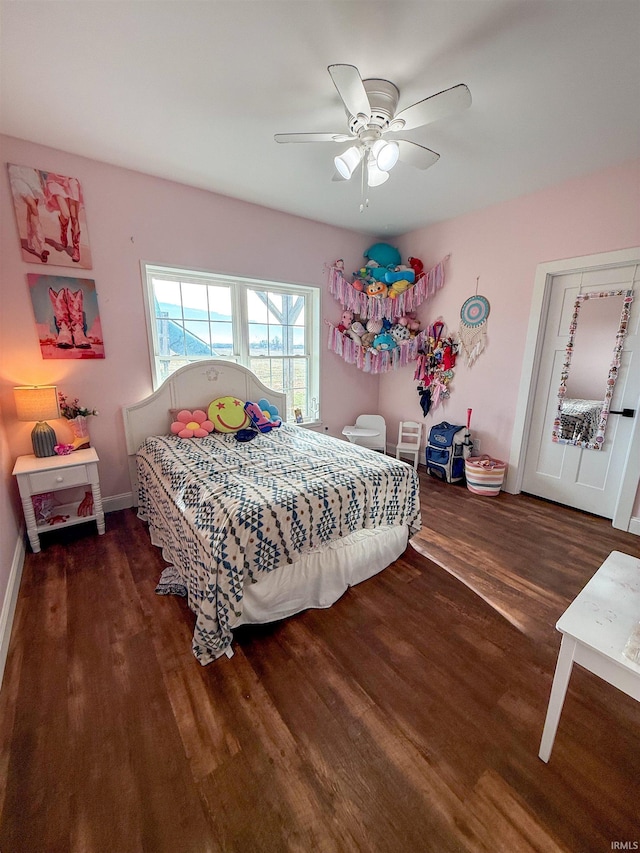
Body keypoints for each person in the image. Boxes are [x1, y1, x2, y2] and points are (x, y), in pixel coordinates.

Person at [8, 165, 49, 262]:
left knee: (31, 211)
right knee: (33, 207)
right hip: (17, 175)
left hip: (31, 176)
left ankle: (30, 242)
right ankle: (42, 245)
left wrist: (41, 181)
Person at [42, 171, 84, 263]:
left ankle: (76, 249)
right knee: (66, 215)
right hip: (56, 180)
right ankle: (63, 230)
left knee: (74, 218)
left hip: (72, 180)